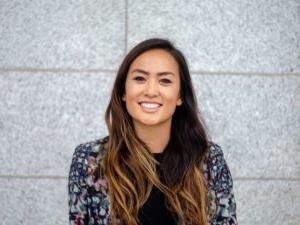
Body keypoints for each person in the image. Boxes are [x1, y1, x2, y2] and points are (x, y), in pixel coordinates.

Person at [68, 38, 238, 225]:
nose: (151, 91)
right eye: (139, 78)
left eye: (165, 80)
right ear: (124, 91)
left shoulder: (209, 160)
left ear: (180, 95)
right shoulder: (90, 160)